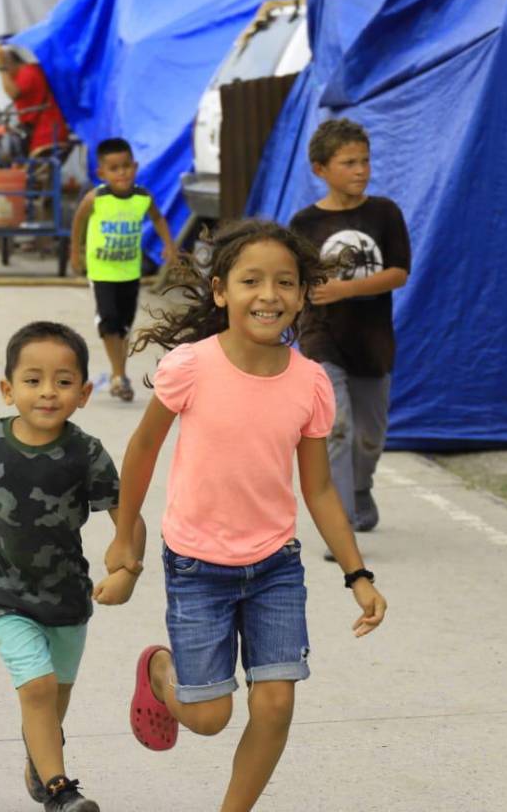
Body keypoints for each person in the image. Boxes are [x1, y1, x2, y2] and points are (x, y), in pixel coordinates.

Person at [99, 220, 387, 811]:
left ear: (303, 295)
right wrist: (126, 537)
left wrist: (358, 575)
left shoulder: (310, 382)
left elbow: (320, 490)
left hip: (275, 566)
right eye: (251, 280)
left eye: (286, 282)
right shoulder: (192, 366)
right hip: (197, 566)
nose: (269, 294)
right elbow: (143, 448)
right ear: (221, 290)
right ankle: (159, 671)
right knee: (207, 718)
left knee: (276, 704)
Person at [0, 321, 145, 812]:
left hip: (68, 596)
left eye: (63, 382)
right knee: (37, 688)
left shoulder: (85, 453)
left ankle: (40, 762)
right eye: (33, 379)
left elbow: (125, 514)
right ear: (7, 389)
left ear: (83, 393)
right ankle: (61, 791)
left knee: (52, 701)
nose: (47, 392)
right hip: (4, 595)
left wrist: (128, 568)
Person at [291, 118, 411, 535]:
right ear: (321, 169)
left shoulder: (384, 213)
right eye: (349, 162)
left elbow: (399, 273)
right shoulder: (304, 224)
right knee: (337, 426)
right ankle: (339, 520)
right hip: (323, 339)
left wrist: (344, 289)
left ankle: (360, 489)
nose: (361, 170)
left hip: (373, 342)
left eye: (365, 161)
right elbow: (296, 281)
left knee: (370, 437)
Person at [70, 137, 176, 402]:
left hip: (130, 272)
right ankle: (119, 376)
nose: (122, 173)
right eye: (114, 168)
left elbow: (158, 218)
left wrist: (169, 244)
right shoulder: (96, 198)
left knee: (125, 326)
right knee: (109, 323)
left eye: (127, 166)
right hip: (102, 272)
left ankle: (120, 373)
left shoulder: (142, 198)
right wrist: (75, 252)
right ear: (101, 173)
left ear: (135, 166)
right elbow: (78, 222)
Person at [0, 46, 68, 155]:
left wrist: (2, 69)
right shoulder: (33, 70)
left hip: (46, 134)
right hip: (49, 131)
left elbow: (13, 93)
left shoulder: (27, 72)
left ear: (10, 63)